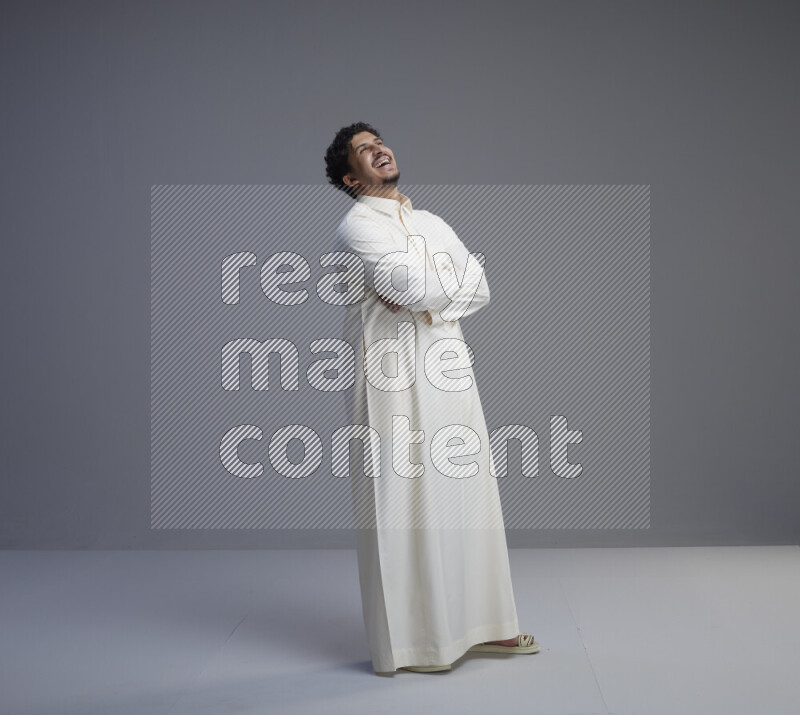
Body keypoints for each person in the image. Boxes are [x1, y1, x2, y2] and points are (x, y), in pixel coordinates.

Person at [324, 122, 539, 674]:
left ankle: (487, 628)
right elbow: (420, 286)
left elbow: (479, 287)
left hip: (447, 362)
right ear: (351, 176)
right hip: (387, 369)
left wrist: (425, 299)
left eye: (380, 141)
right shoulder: (355, 226)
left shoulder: (430, 221)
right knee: (401, 497)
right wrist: (434, 286)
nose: (379, 150)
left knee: (467, 490)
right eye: (364, 151)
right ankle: (416, 644)